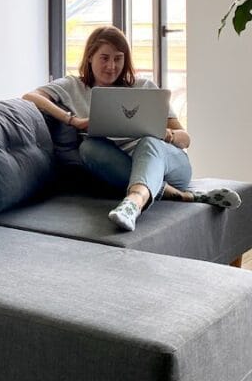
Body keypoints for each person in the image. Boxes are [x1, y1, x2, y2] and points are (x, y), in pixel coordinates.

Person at [22, 25, 241, 232]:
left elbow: (186, 139)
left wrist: (168, 135)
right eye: (104, 58)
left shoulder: (143, 86)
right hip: (121, 166)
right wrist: (73, 120)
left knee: (148, 142)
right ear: (90, 57)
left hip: (169, 164)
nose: (111, 66)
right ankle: (187, 197)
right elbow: (31, 97)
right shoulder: (73, 86)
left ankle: (133, 204)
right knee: (89, 148)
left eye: (118, 59)